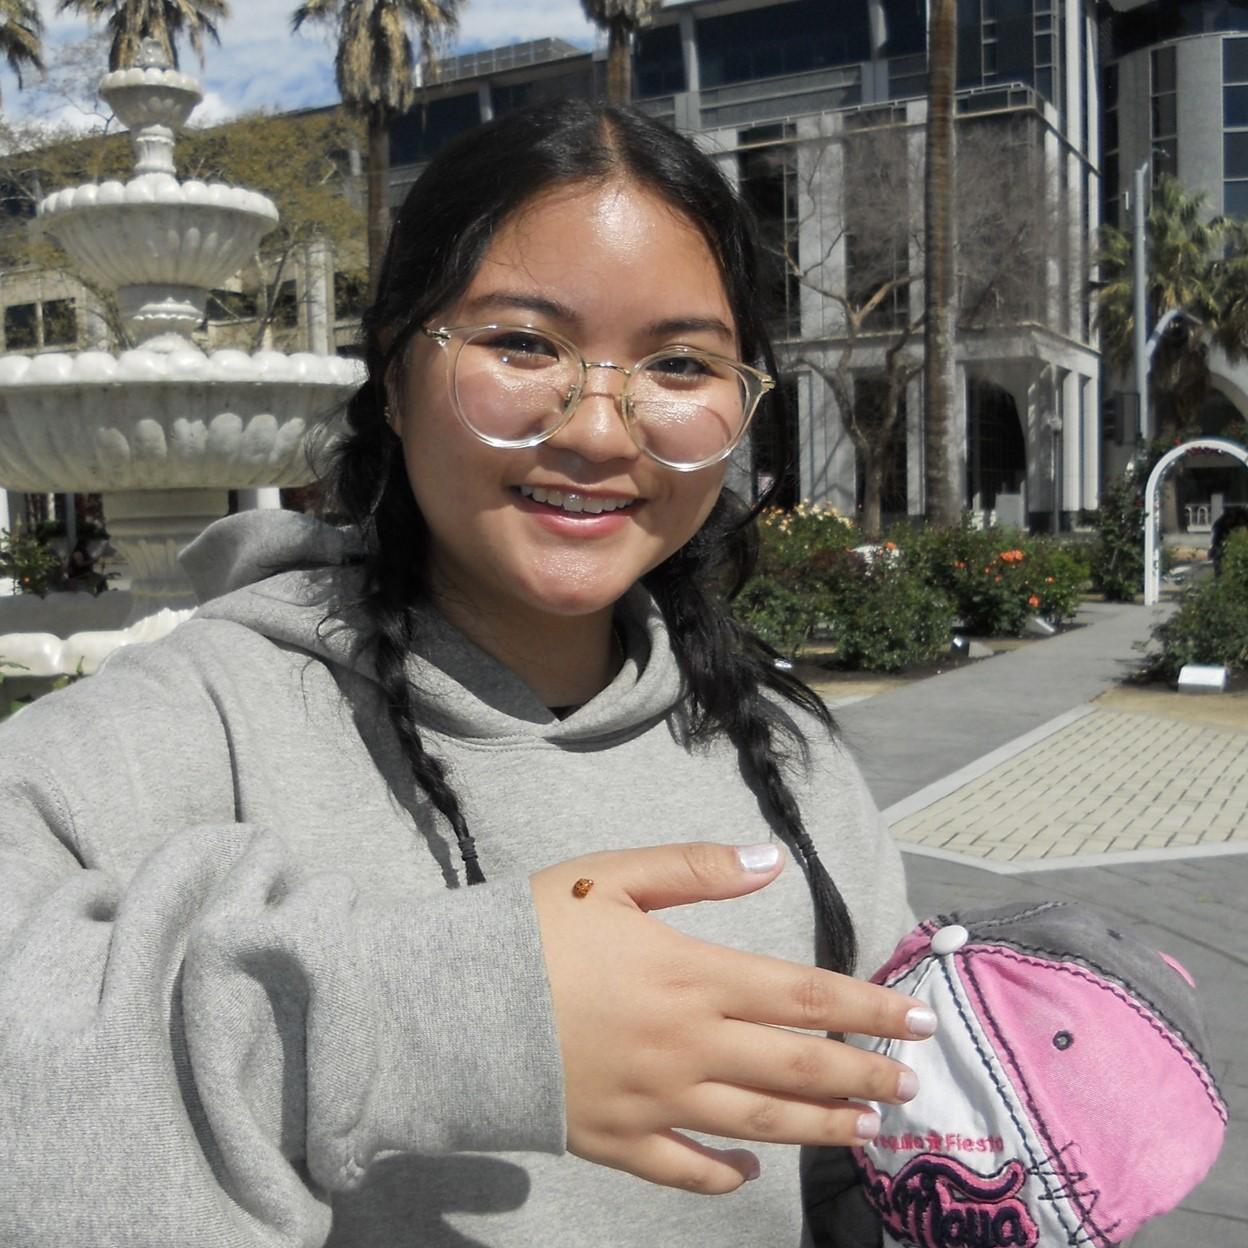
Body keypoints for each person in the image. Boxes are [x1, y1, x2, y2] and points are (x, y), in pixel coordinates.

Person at [0, 101, 929, 1246]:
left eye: (680, 363)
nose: (598, 430)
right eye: (523, 344)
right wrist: (436, 1017)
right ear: (392, 376)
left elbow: (860, 1142)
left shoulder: (784, 748)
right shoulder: (196, 719)